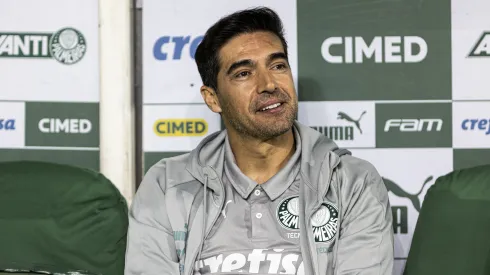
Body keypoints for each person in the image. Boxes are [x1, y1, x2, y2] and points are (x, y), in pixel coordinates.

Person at [124, 6, 394, 275]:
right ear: (213, 98)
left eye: (278, 66)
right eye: (244, 73)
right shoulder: (166, 185)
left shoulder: (353, 182)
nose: (269, 84)